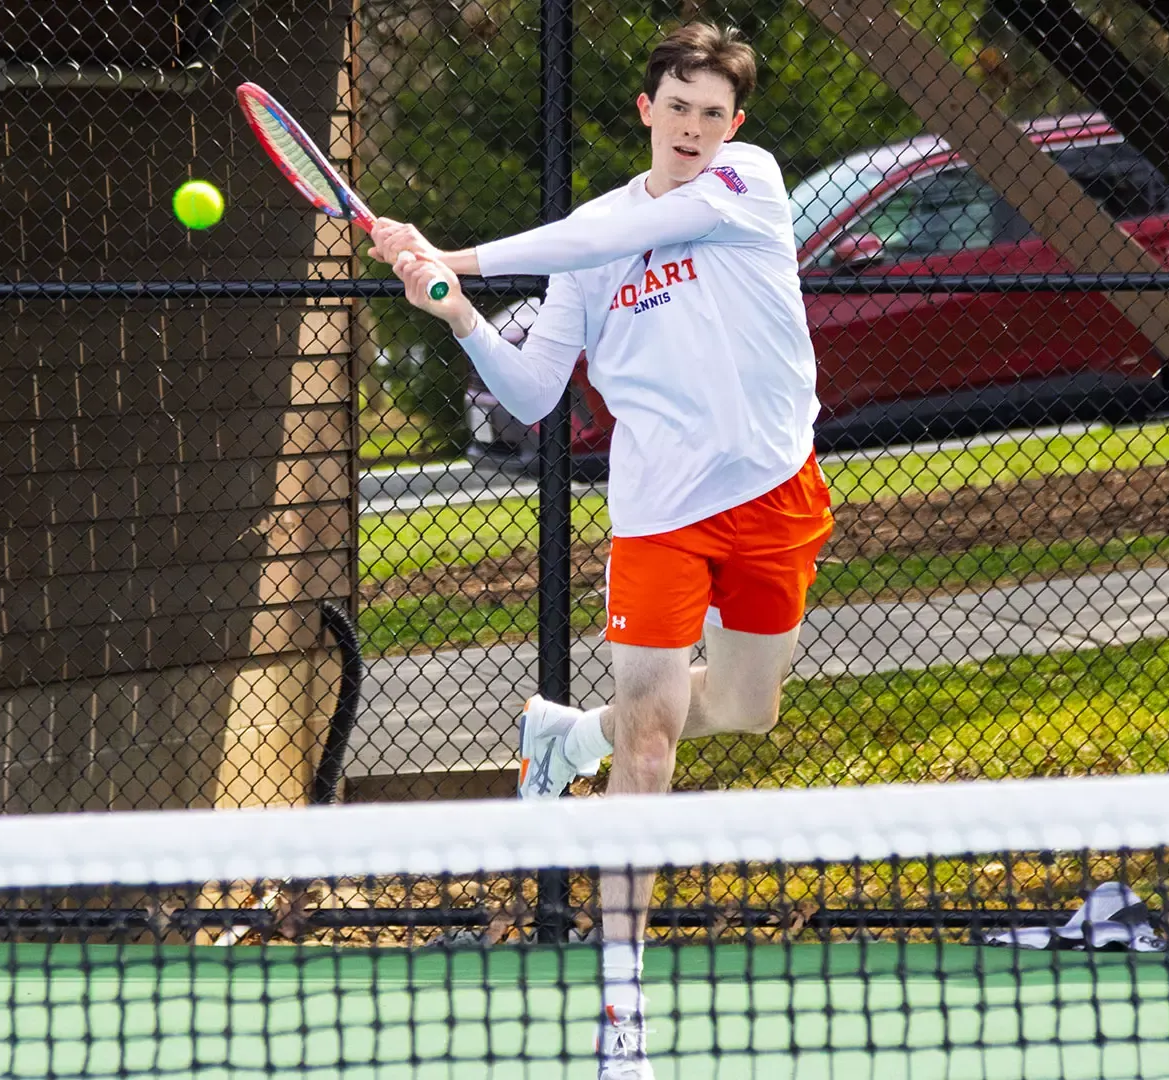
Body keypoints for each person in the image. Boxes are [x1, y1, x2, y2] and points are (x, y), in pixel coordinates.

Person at [369, 22, 830, 1080]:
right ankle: (622, 1015)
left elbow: (583, 236)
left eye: (714, 113)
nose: (695, 129)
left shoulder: (748, 185)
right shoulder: (593, 241)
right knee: (657, 739)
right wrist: (461, 315)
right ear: (647, 109)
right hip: (658, 516)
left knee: (749, 710)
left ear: (736, 127)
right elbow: (533, 393)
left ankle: (569, 741)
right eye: (679, 107)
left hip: (773, 493)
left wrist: (460, 254)